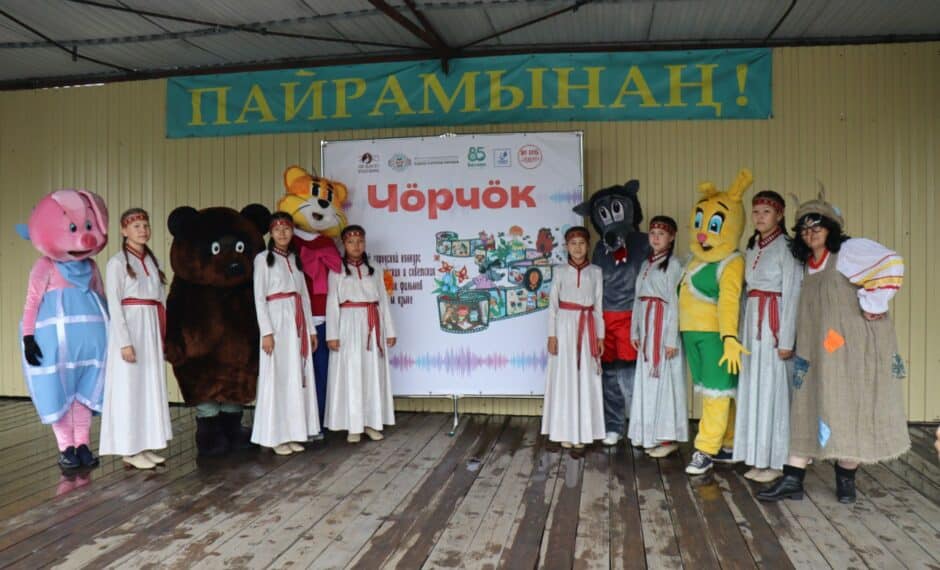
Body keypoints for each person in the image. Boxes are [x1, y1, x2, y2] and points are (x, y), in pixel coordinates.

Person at [758, 195, 909, 504]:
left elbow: (892, 263)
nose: (810, 233)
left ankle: (846, 480)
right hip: (816, 349)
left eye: (817, 226)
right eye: (804, 229)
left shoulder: (848, 253)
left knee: (850, 406)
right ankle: (793, 479)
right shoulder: (806, 264)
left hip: (852, 348)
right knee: (806, 403)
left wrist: (873, 303)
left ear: (830, 228)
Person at [732, 192, 802, 483]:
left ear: (780, 215)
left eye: (766, 212)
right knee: (755, 389)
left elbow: (794, 293)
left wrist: (786, 339)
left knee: (774, 391)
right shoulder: (752, 247)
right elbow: (745, 293)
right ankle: (757, 457)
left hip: (774, 325)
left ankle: (777, 460)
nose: (760, 217)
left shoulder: (787, 248)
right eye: (756, 211)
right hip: (753, 325)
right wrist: (740, 333)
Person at [100, 208, 173, 469]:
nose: (142, 230)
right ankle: (129, 449)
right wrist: (124, 342)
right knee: (130, 388)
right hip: (131, 328)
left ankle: (145, 443)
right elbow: (114, 304)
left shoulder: (153, 261)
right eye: (136, 226)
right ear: (124, 231)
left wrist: (163, 334)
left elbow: (160, 300)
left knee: (147, 387)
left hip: (150, 329)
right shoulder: (117, 263)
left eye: (145, 225)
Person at [251, 213, 321, 455]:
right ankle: (275, 437)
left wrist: (310, 329)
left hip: (297, 322)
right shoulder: (263, 259)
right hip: (277, 321)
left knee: (295, 377)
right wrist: (266, 332)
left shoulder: (294, 259)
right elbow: (259, 298)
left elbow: (304, 298)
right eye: (277, 229)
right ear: (271, 233)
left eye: (287, 229)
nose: (282, 233)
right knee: (277, 377)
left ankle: (292, 433)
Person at [324, 225, 396, 443]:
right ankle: (353, 425)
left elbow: (383, 301)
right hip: (348, 324)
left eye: (360, 241)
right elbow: (332, 302)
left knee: (372, 373)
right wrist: (332, 334)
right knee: (352, 373)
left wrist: (390, 330)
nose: (356, 246)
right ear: (344, 244)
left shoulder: (375, 268)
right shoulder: (337, 269)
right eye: (351, 242)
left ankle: (371, 423)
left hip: (372, 324)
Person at [627, 216, 687, 457]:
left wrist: (671, 339)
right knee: (648, 381)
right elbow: (637, 299)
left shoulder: (674, 265)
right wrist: (634, 330)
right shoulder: (645, 264)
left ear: (671, 237)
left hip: (663, 327)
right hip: (646, 326)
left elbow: (675, 302)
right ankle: (647, 433)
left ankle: (666, 438)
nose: (655, 237)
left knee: (665, 381)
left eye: (661, 233)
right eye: (652, 233)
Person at [541, 226, 605, 449]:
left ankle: (585, 431)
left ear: (588, 245)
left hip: (587, 328)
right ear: (566, 246)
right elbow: (553, 305)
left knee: (586, 375)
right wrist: (552, 335)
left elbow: (598, 306)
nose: (577, 248)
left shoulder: (596, 272)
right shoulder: (560, 271)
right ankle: (565, 430)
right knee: (565, 376)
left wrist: (600, 336)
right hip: (564, 328)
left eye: (582, 243)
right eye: (573, 243)